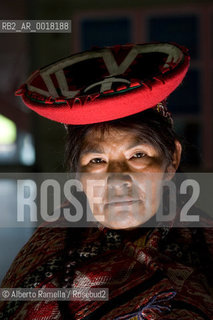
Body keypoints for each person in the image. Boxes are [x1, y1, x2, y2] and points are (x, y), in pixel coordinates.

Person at [0, 42, 213, 320]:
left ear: (171, 158)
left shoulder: (205, 248)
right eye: (97, 161)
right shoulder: (46, 264)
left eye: (137, 155)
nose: (116, 180)